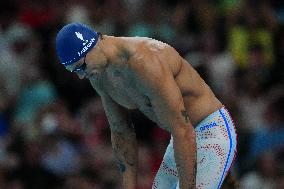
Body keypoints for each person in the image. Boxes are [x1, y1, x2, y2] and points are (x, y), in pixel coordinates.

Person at [55, 22, 237, 189]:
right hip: (180, 139)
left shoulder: (143, 61)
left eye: (81, 67)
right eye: (74, 71)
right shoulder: (98, 74)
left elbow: (183, 129)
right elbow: (121, 131)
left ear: (93, 46)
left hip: (209, 128)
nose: (81, 76)